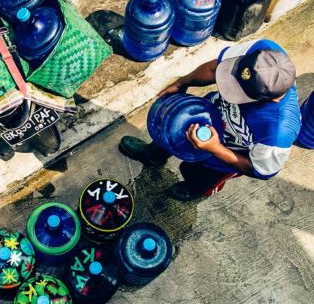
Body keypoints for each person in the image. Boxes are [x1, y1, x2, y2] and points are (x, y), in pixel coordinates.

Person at [119, 39, 301, 200]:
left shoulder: (279, 132)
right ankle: (153, 156)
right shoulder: (261, 51)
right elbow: (215, 68)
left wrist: (215, 148)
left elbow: (259, 170)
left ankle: (193, 190)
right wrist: (182, 83)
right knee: (169, 129)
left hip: (224, 155)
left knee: (199, 175)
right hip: (203, 114)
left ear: (262, 99)